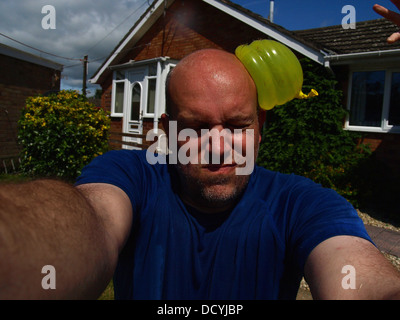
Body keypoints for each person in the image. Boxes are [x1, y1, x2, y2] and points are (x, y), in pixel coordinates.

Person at [1, 4, 400, 301]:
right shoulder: (131, 176)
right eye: (196, 127)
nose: (218, 145)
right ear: (167, 130)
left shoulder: (303, 204)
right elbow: (90, 219)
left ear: (262, 129)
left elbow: (358, 276)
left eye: (238, 126)